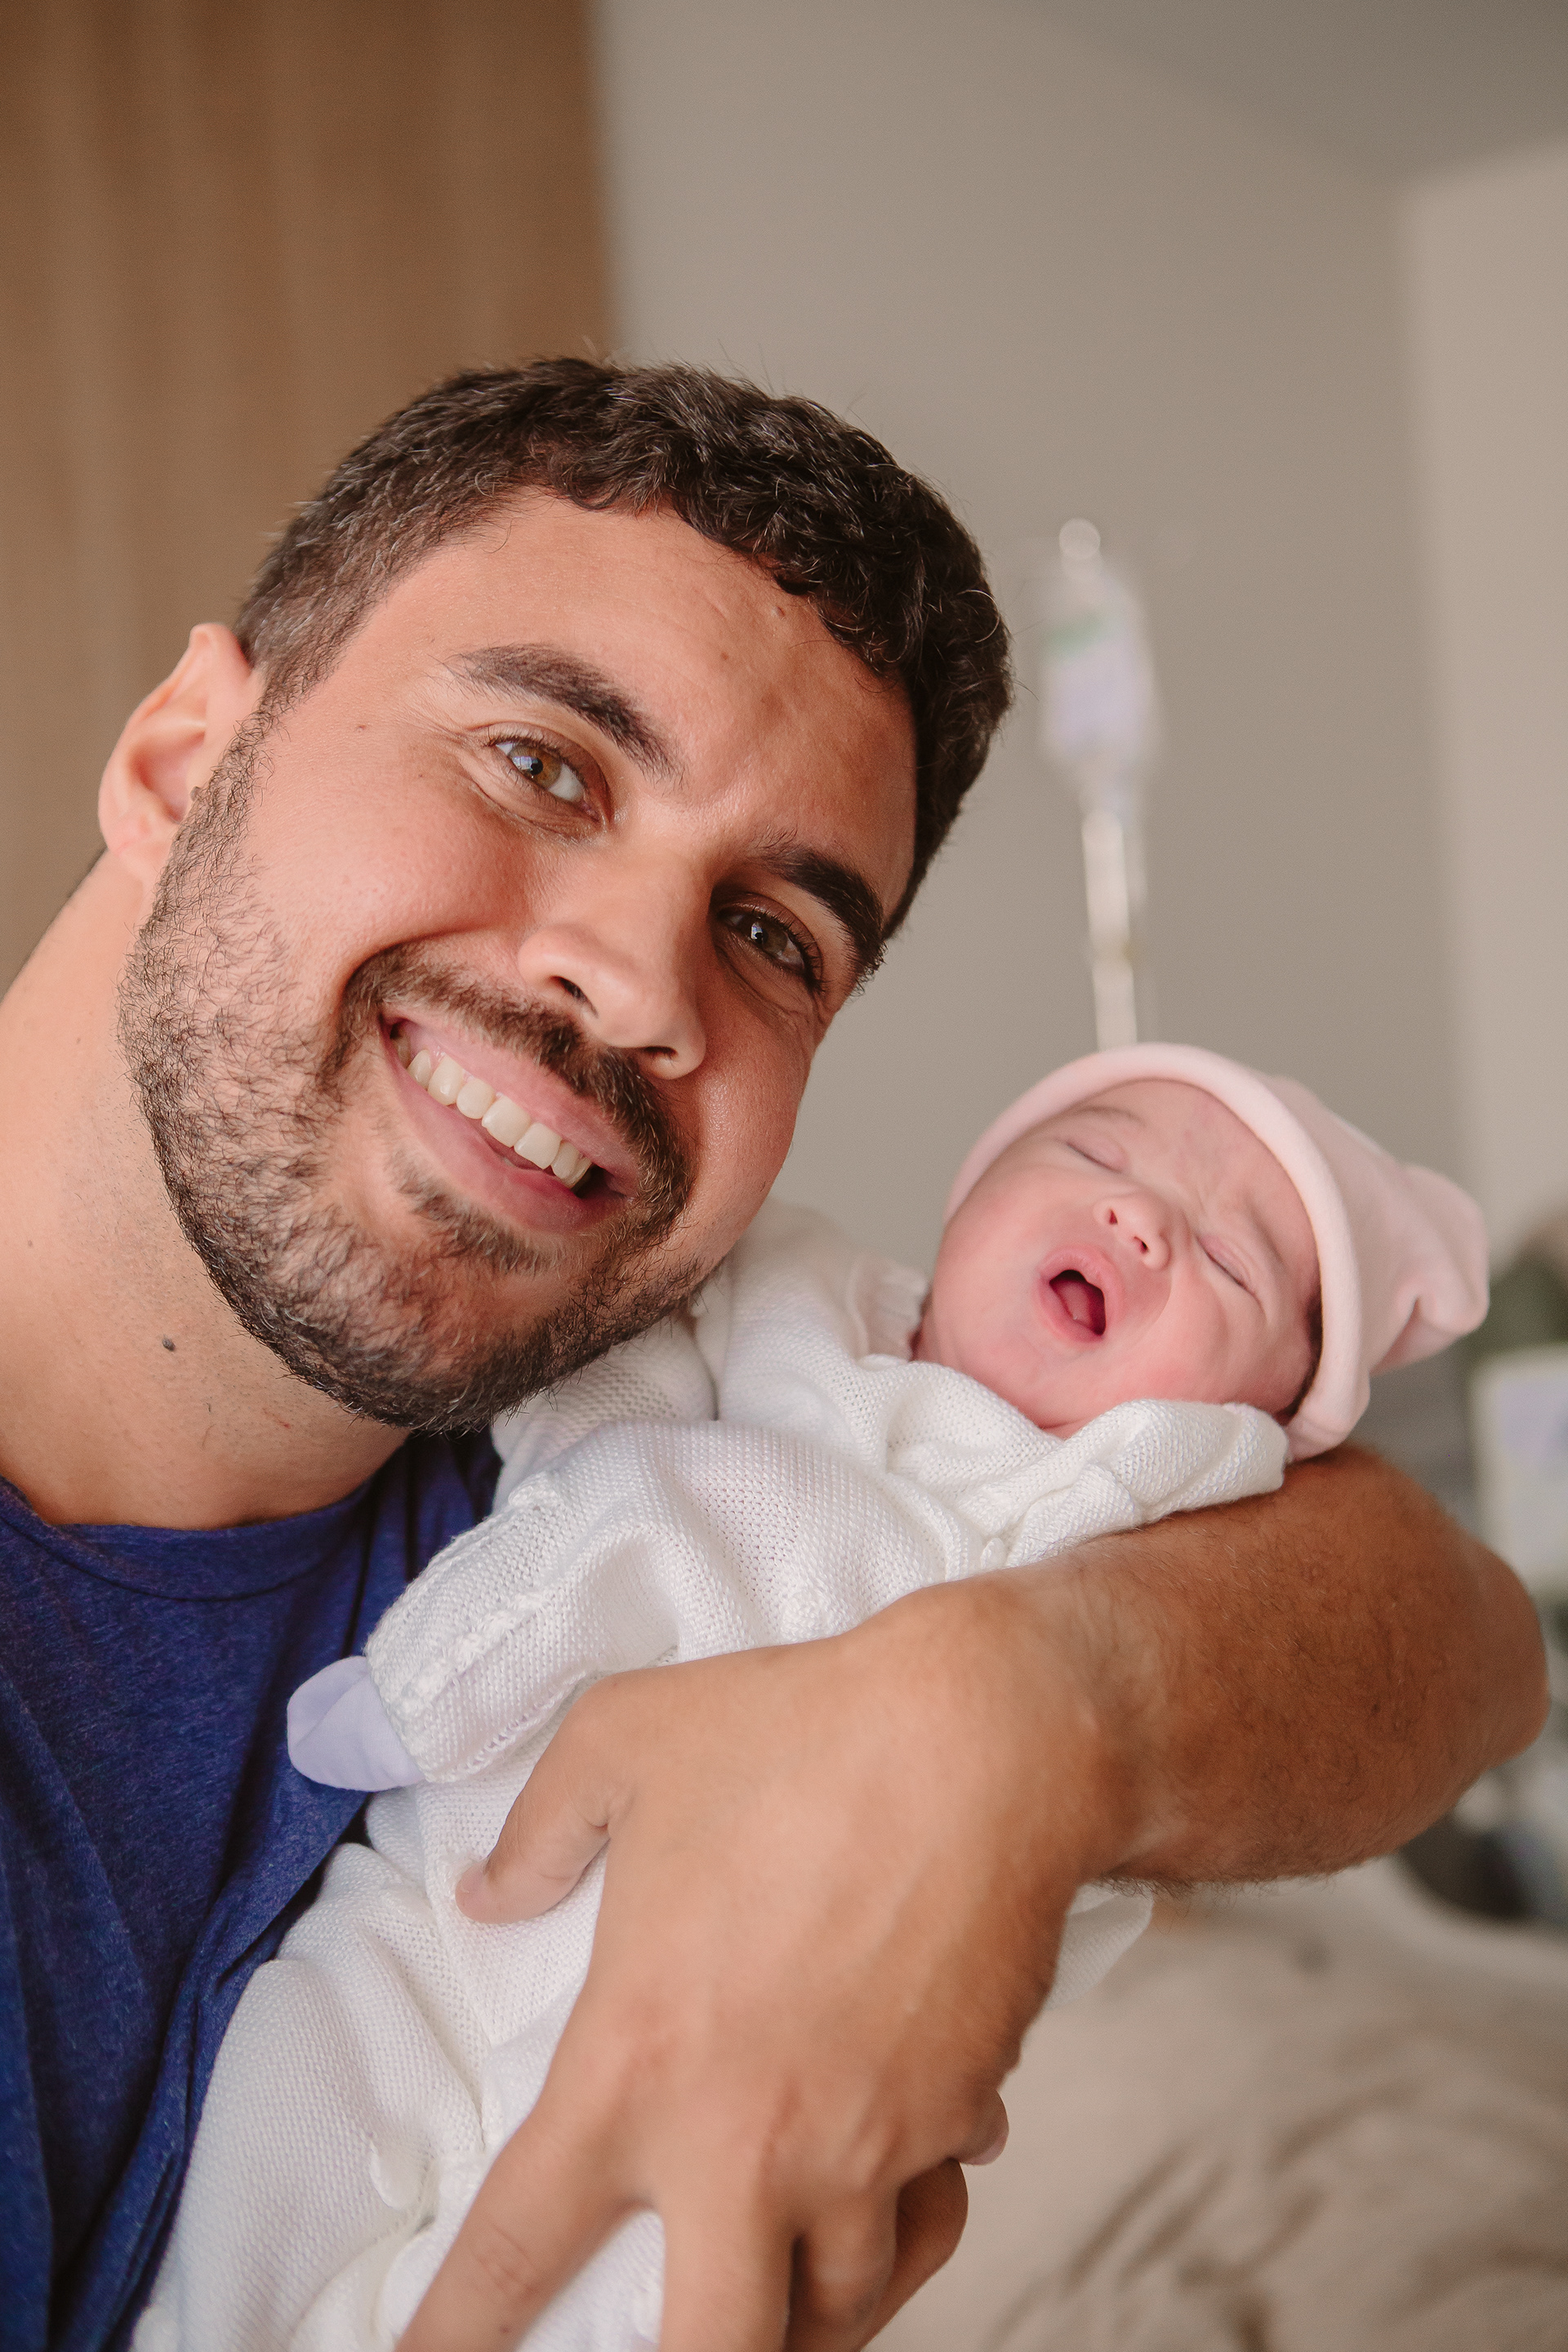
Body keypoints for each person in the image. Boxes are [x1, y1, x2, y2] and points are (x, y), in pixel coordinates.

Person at [0, 358, 1542, 2352]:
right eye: (544, 764)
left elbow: (1464, 1635)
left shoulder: (582, 1405)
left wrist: (1017, 1717)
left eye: (774, 938)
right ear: (178, 760)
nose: (644, 983)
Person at [140, 1046, 1490, 2347]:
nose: (1142, 1219)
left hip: (748, 2046)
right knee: (274, 2146)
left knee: (652, 2272)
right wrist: (470, 1637)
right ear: (971, 1195)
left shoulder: (1128, 1529)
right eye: (1094, 1154)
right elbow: (611, 1429)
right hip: (432, 1926)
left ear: (1266, 1422)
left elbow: (1442, 1629)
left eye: (1235, 1262)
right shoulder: (791, 1301)